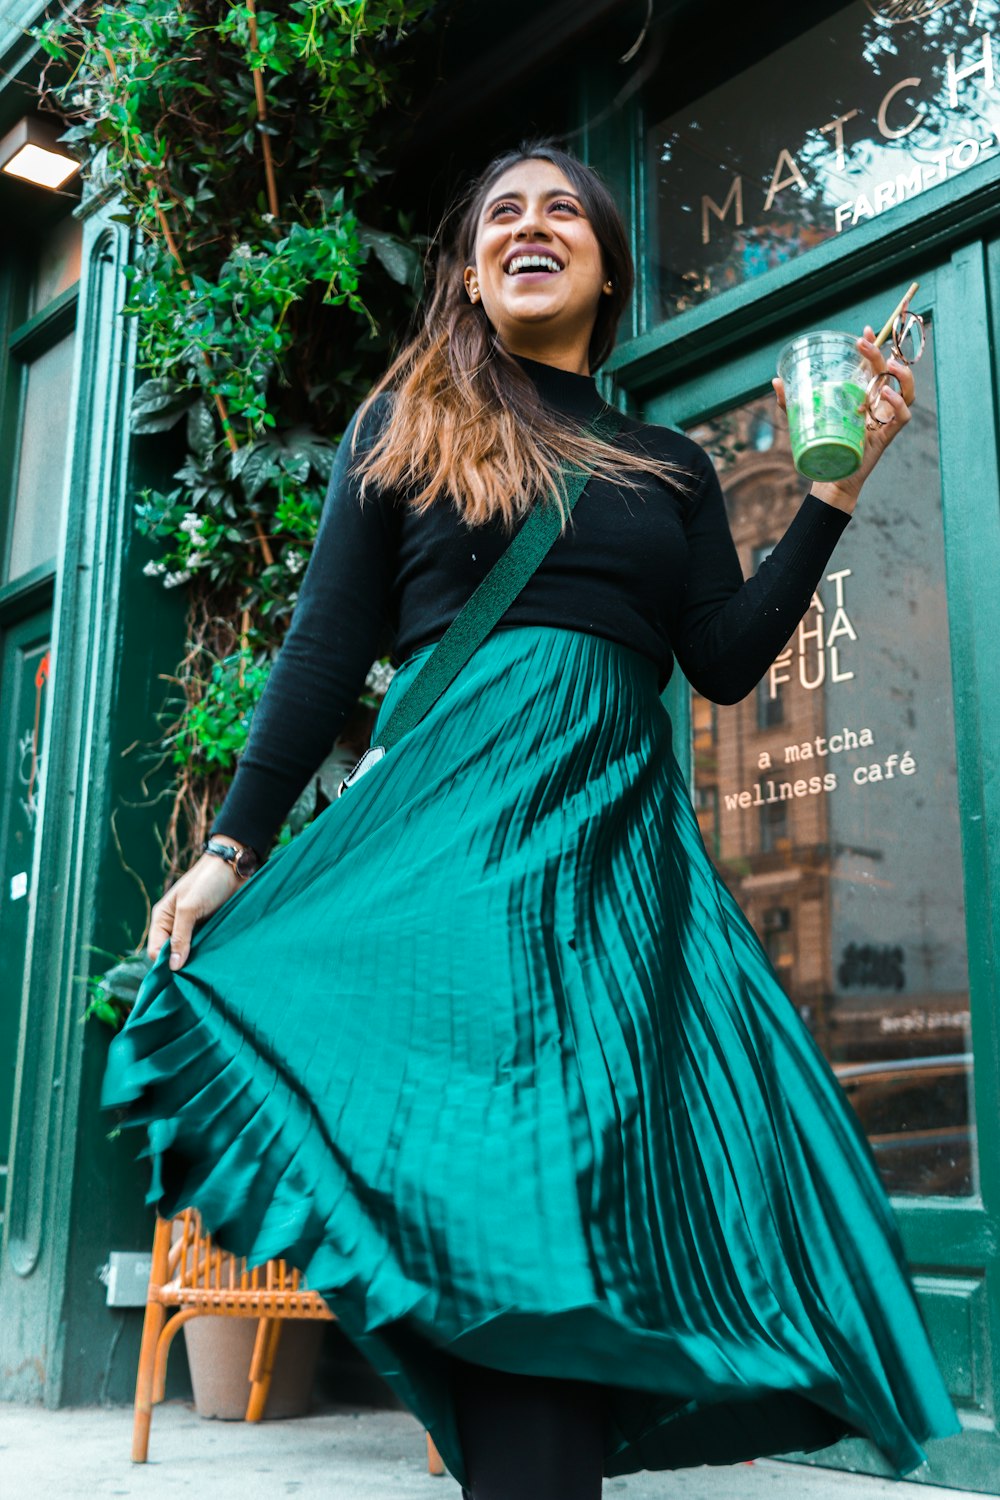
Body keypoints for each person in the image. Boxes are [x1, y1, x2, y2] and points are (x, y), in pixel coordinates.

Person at [103, 140, 961, 1500]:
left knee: (581, 1196)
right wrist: (229, 852)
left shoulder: (671, 463)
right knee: (507, 1185)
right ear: (470, 271)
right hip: (461, 852)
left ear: (608, 269)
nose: (531, 226)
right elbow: (322, 653)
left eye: (564, 209)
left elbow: (725, 661)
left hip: (616, 876)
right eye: (503, 215)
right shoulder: (409, 423)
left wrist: (835, 494)